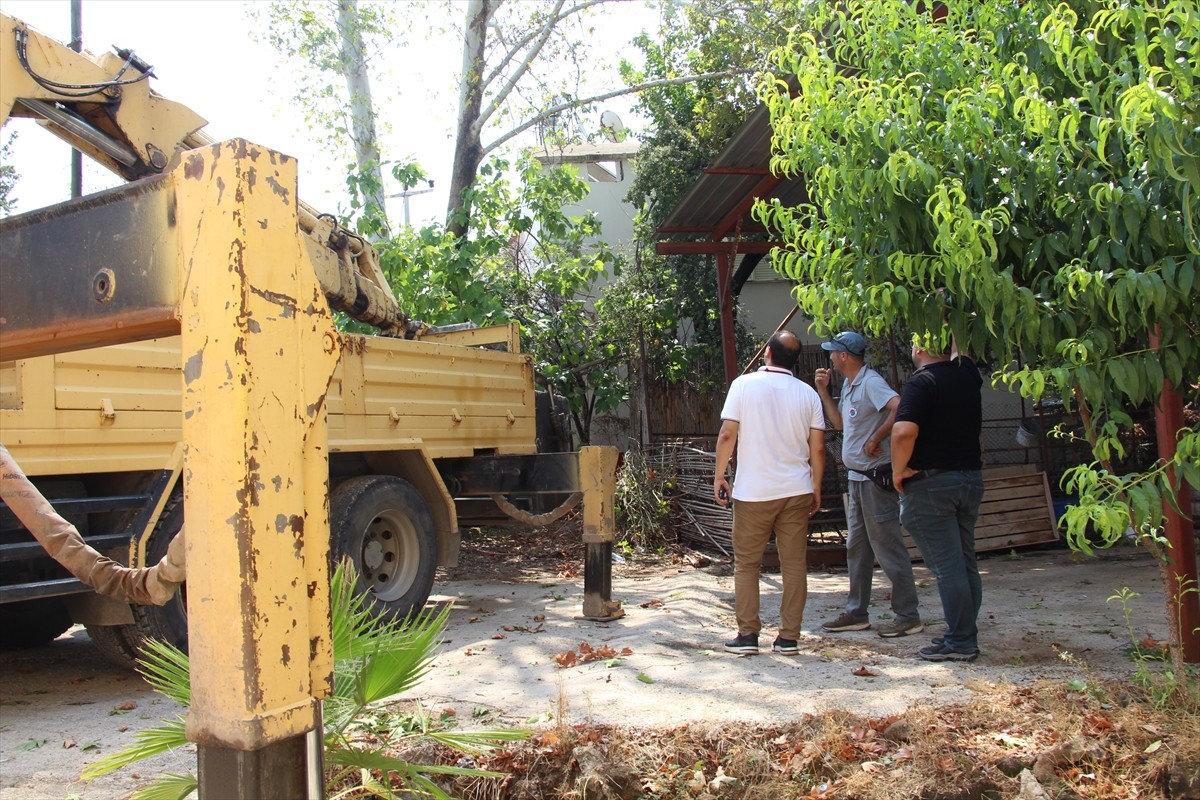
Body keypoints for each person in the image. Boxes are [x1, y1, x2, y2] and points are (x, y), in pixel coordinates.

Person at [713, 330, 825, 656]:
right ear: (795, 361)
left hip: (754, 492)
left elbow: (727, 434)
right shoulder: (808, 394)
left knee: (747, 565)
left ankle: (748, 636)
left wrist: (720, 475)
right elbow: (817, 448)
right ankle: (788, 638)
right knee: (794, 566)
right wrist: (815, 487)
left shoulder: (743, 386)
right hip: (796, 490)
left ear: (766, 354)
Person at [814, 331, 922, 638]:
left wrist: (877, 437)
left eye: (833, 352)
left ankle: (908, 615)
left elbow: (899, 406)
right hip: (858, 478)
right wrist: (823, 393)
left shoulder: (870, 382)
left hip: (875, 479)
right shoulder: (850, 384)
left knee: (887, 548)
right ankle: (856, 612)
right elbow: (840, 425)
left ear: (844, 356)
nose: (831, 357)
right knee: (857, 549)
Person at [890, 337, 985, 662]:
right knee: (965, 562)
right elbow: (962, 350)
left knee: (948, 568)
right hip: (970, 479)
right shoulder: (967, 374)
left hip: (931, 485)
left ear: (917, 349)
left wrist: (898, 471)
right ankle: (964, 636)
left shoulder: (922, 382)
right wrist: (949, 315)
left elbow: (903, 432)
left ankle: (960, 641)